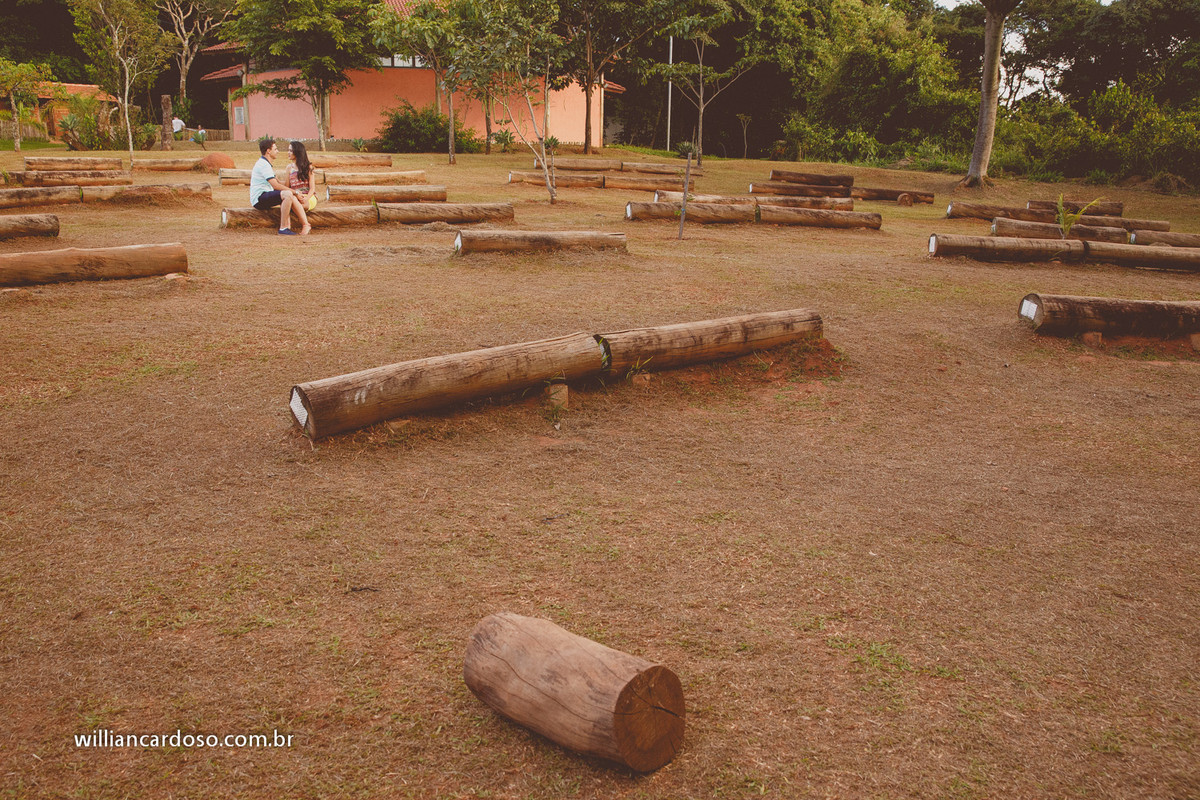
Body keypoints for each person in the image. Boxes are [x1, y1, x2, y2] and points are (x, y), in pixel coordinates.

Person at [249, 138, 308, 236]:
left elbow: (278, 184)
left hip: (264, 195)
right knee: (288, 194)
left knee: (288, 195)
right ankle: (283, 228)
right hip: (259, 198)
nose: (278, 151)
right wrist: (296, 192)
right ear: (268, 151)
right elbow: (275, 185)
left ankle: (293, 226)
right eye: (275, 149)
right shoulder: (263, 164)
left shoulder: (266, 164)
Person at [285, 141, 318, 226]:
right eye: (288, 150)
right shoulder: (289, 168)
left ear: (297, 152)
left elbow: (312, 188)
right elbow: (287, 186)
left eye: (290, 150)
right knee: (291, 202)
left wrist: (306, 198)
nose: (288, 153)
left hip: (308, 196)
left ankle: (305, 225)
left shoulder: (308, 167)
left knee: (303, 204)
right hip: (295, 196)